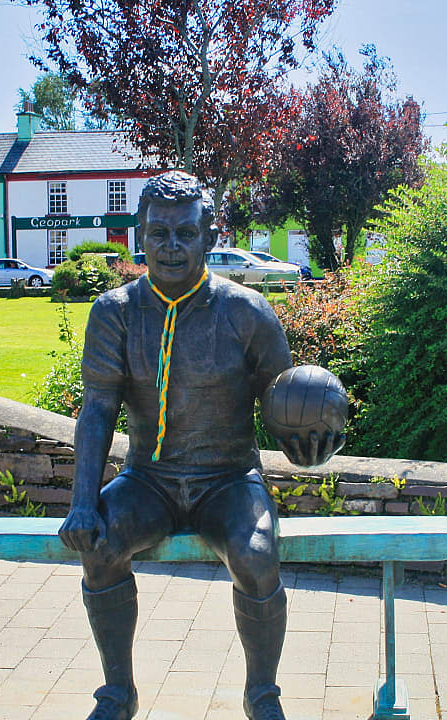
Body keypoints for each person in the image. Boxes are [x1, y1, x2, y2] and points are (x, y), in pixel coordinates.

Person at [59, 171, 342, 720]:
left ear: (209, 237)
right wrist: (81, 503)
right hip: (148, 480)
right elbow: (96, 411)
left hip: (228, 480)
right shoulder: (113, 313)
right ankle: (118, 693)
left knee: (257, 560)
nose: (170, 246)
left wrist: (312, 440)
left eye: (185, 233)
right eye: (158, 233)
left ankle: (262, 694)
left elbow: (285, 406)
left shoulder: (247, 312)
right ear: (138, 235)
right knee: (98, 547)